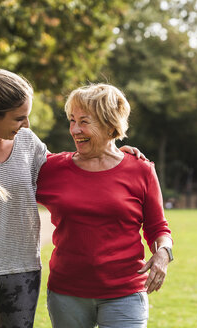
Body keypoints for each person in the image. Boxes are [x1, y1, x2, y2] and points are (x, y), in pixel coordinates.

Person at [0, 69, 143, 327]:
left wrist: (111, 152)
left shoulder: (28, 143)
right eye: (19, 118)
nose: (27, 125)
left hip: (23, 271)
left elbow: (71, 171)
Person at [35, 83, 173, 328]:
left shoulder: (141, 170)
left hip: (125, 293)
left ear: (111, 125)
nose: (75, 130)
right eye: (72, 120)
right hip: (67, 294)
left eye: (84, 121)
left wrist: (163, 253)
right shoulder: (52, 169)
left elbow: (158, 228)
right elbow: (8, 193)